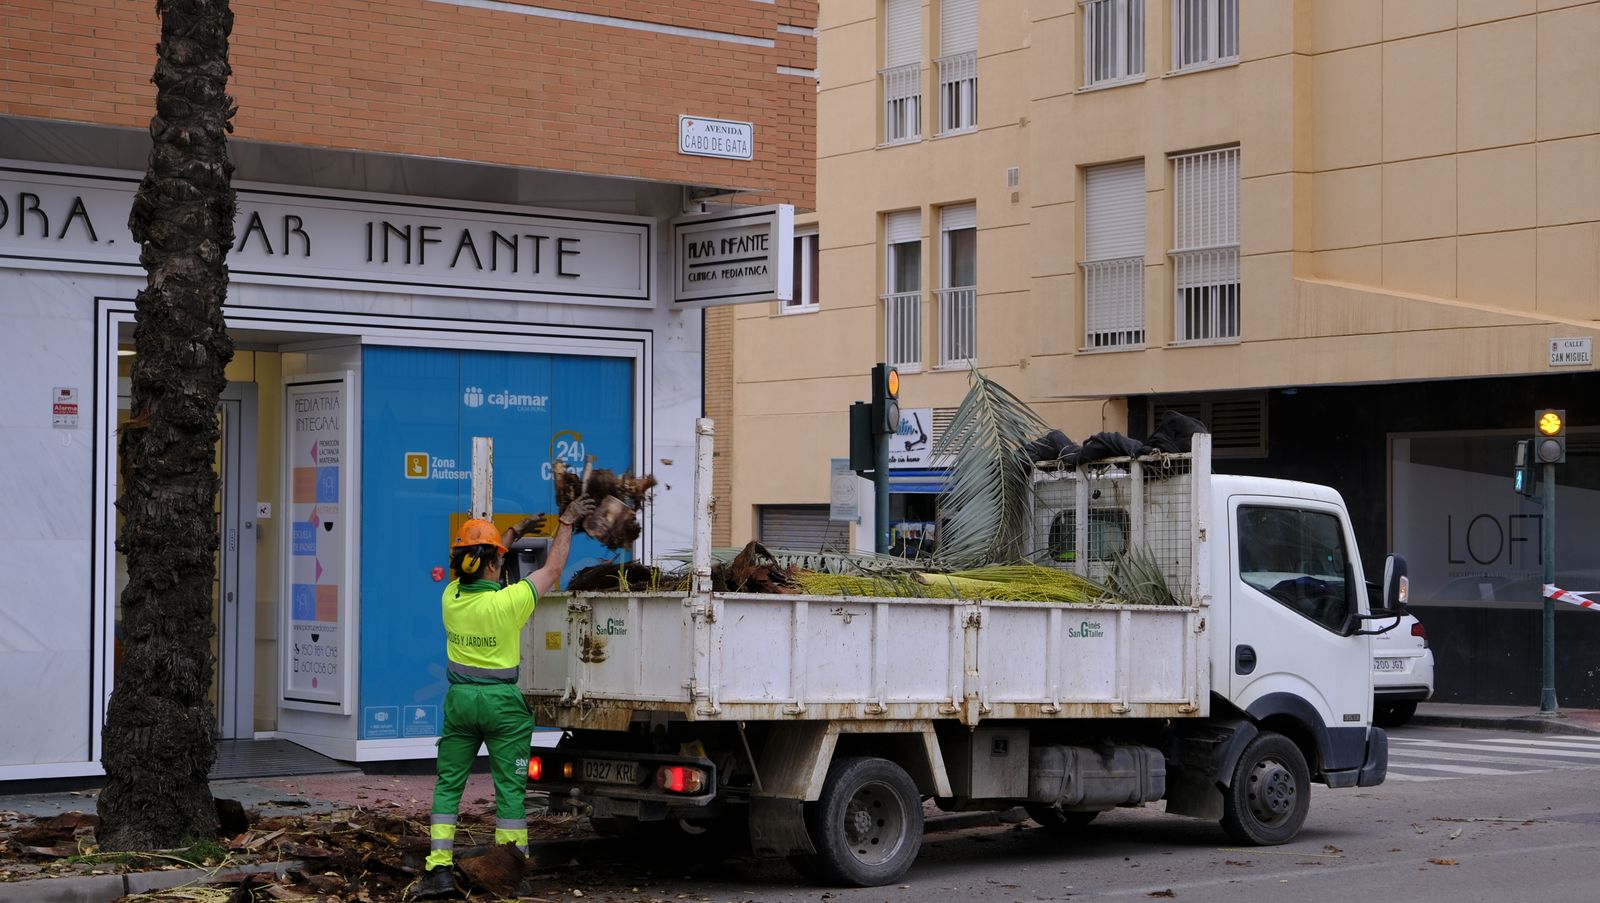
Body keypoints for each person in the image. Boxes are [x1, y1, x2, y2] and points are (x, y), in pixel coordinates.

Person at [415, 495, 596, 899]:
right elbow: (553, 568)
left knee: (448, 785)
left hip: (461, 701)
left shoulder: (450, 598)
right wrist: (566, 523)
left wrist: (511, 534)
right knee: (509, 791)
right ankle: (513, 872)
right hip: (502, 706)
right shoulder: (509, 602)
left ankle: (438, 869)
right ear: (494, 566)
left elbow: (481, 563)